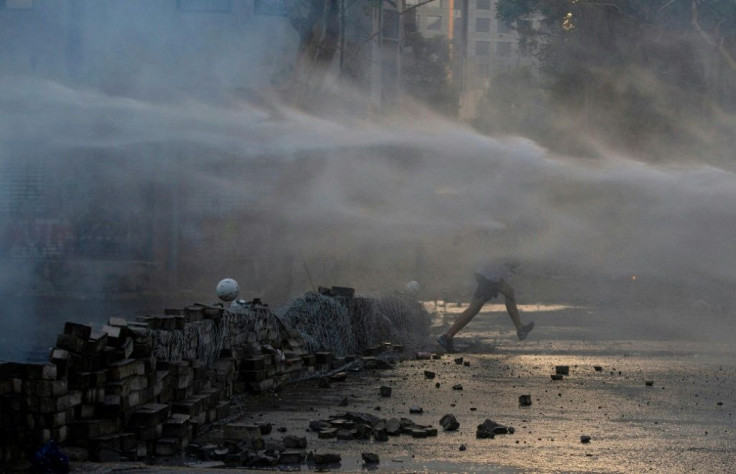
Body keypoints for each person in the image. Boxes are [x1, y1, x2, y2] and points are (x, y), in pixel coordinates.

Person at [437, 260, 534, 352]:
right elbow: (505, 258)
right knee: (475, 308)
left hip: (487, 273)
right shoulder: (503, 245)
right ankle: (447, 336)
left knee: (506, 294)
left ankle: (520, 329)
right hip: (489, 275)